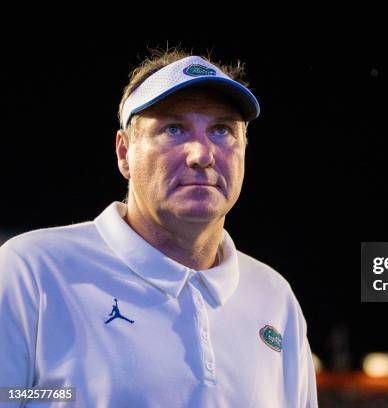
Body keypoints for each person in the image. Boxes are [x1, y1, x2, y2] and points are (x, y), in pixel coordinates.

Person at [0, 49, 318, 407]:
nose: (201, 154)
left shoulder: (274, 298)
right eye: (173, 129)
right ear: (124, 153)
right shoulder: (33, 271)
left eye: (221, 130)